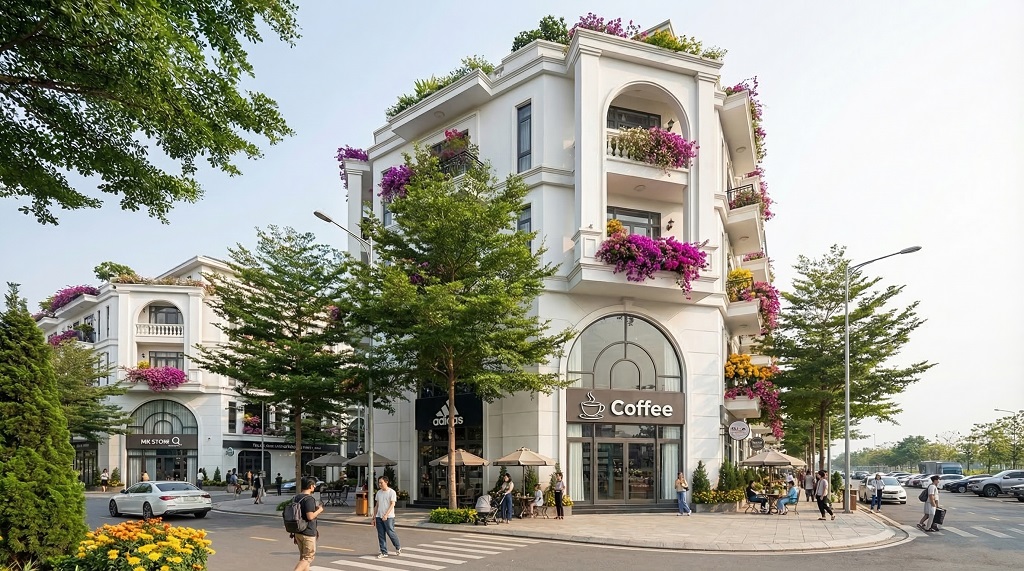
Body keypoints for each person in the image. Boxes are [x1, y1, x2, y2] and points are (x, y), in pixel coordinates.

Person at [291, 476, 324, 571]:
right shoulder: (309, 499)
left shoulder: (296, 497)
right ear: (310, 486)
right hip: (307, 532)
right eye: (314, 485)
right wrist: (319, 510)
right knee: (308, 557)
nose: (315, 487)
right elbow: (310, 516)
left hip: (298, 531)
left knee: (303, 557)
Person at [371, 476, 401, 558]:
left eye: (381, 483)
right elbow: (377, 505)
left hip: (389, 517)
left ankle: (397, 546)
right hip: (379, 516)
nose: (380, 484)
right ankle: (383, 551)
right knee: (381, 534)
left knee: (390, 532)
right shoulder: (379, 493)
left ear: (386, 482)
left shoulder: (392, 492)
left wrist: (386, 515)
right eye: (379, 483)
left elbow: (392, 504)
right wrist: (374, 517)